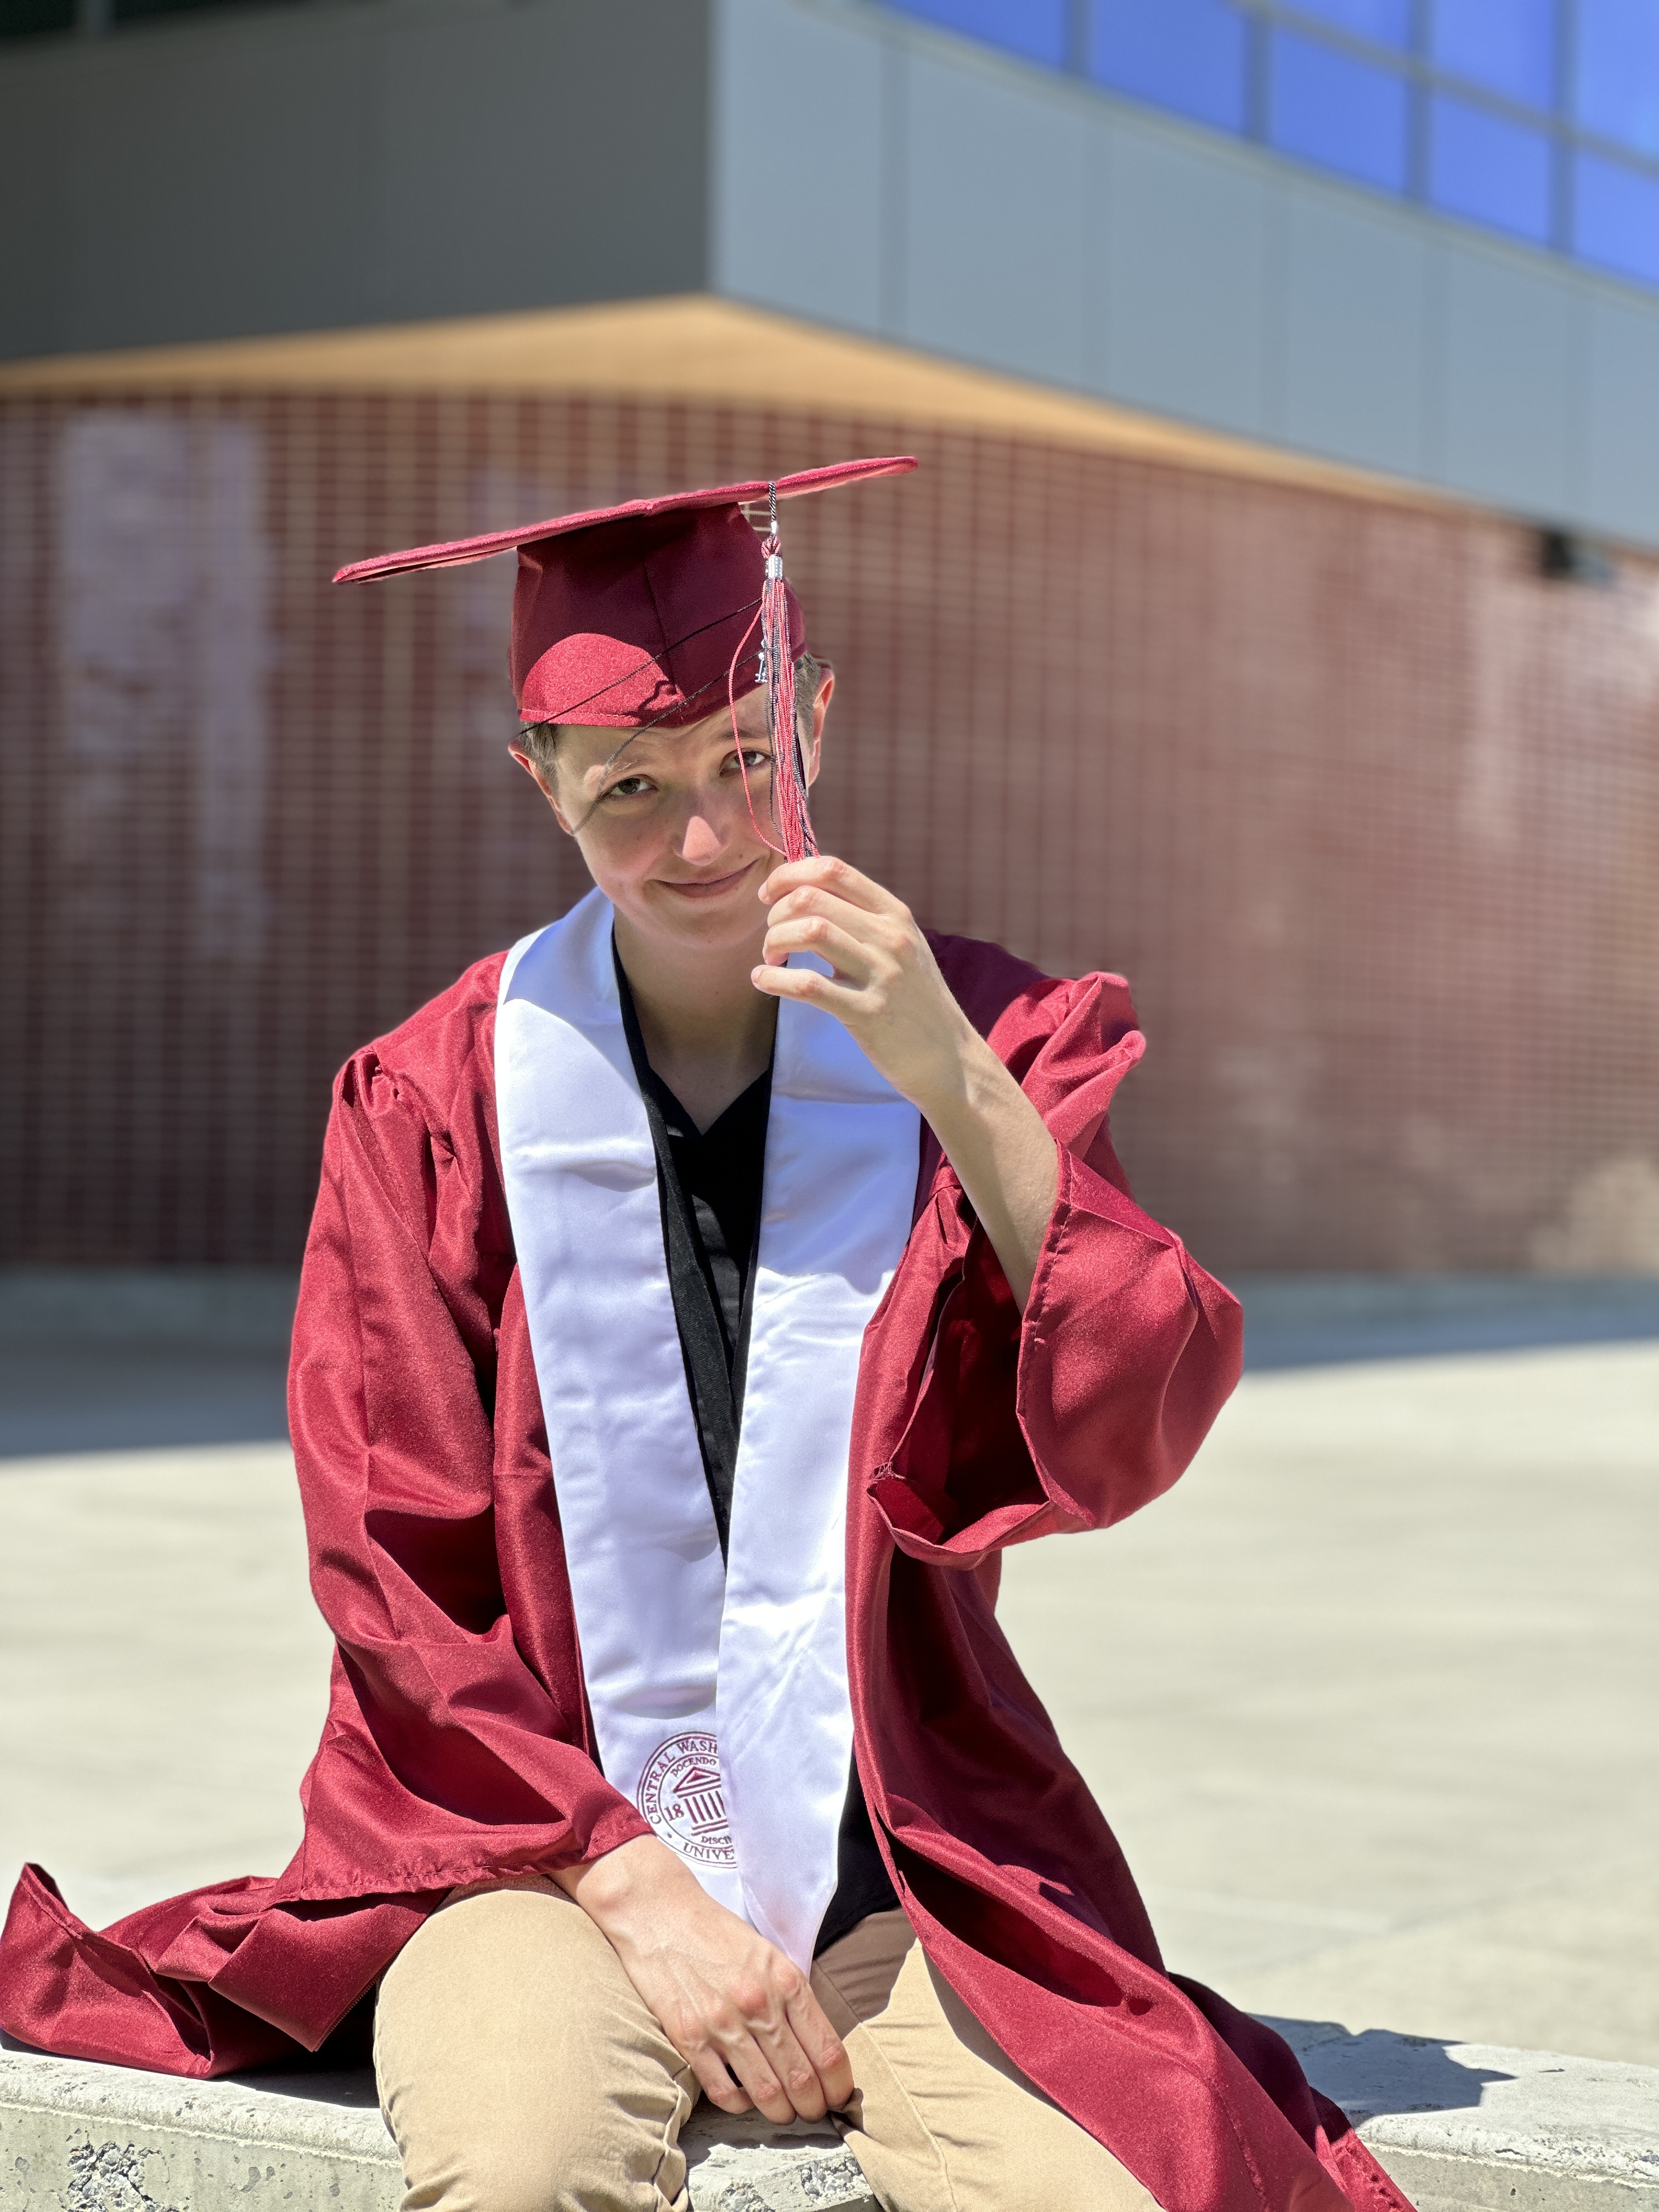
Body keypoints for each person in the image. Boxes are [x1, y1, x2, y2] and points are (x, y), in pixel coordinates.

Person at [0, 460, 1406, 2212]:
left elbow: (1139, 1417)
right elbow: (393, 1574)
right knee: (521, 2176)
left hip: (897, 1860)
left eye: (748, 758)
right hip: (522, 1858)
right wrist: (633, 1887)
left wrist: (954, 1084)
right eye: (628, 789)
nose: (704, 838)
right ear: (541, 785)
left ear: (812, 712)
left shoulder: (988, 1037)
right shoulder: (436, 1100)